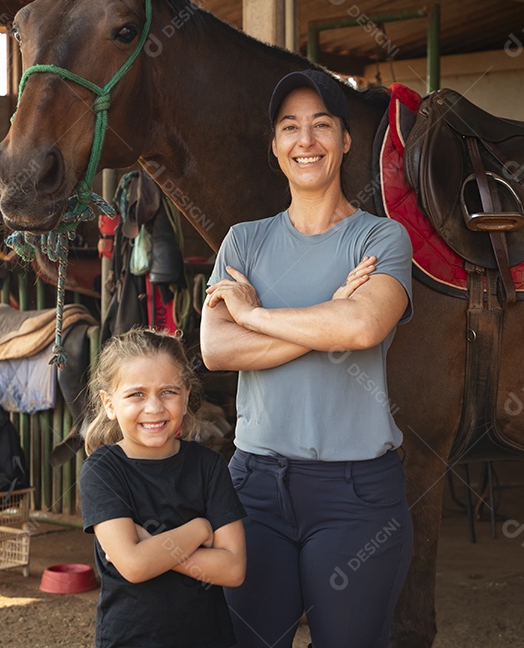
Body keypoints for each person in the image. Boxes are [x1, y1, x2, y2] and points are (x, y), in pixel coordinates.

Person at [201, 69, 414, 648]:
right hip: (256, 487)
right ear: (274, 147)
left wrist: (254, 315)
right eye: (289, 127)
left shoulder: (382, 240)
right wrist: (328, 318)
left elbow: (364, 324)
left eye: (322, 125)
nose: (306, 140)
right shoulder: (243, 241)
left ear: (346, 141)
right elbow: (217, 349)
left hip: (355, 496)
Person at [80, 327, 247, 648]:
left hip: (208, 638)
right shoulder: (102, 470)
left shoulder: (208, 466)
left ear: (186, 397)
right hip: (131, 638)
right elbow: (134, 566)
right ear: (109, 404)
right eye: (136, 394)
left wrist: (151, 546)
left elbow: (233, 569)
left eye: (168, 392)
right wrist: (199, 530)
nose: (154, 407)